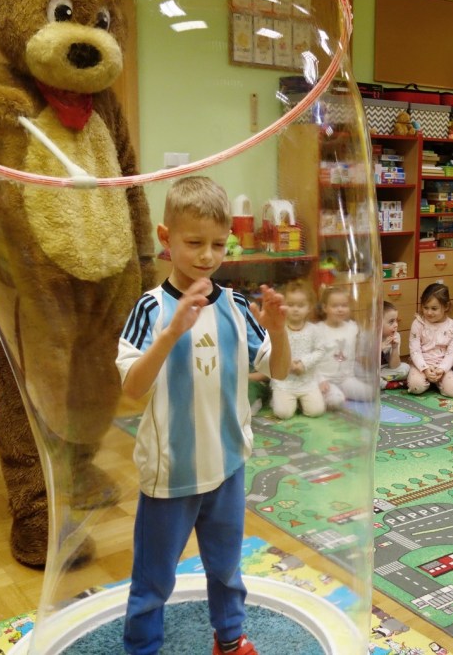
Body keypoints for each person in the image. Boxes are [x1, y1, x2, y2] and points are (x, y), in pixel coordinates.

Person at [117, 176, 289, 655]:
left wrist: (280, 330)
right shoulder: (150, 308)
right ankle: (141, 648)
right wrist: (171, 332)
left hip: (228, 466)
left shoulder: (235, 305)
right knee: (153, 577)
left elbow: (278, 370)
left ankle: (230, 638)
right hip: (170, 473)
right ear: (166, 237)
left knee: (227, 567)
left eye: (218, 244)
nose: (207, 255)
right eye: (194, 243)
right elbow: (132, 389)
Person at [270, 280, 326, 420]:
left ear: (309, 307)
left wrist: (303, 363)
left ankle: (301, 403)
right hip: (284, 382)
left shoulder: (314, 330)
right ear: (283, 306)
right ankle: (280, 400)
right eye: (290, 305)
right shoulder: (279, 329)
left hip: (307, 381)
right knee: (283, 414)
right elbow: (271, 350)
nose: (295, 309)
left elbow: (320, 351)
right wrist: (288, 364)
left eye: (301, 305)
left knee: (316, 411)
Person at [314, 285, 375, 410]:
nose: (340, 309)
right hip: (326, 379)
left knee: (371, 393)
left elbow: (359, 349)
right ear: (325, 307)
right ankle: (328, 394)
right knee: (336, 401)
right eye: (335, 306)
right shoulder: (318, 330)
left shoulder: (352, 328)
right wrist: (320, 380)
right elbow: (312, 360)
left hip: (346, 379)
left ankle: (340, 392)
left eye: (344, 305)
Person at [407, 283, 453, 397]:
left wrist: (442, 369)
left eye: (434, 308)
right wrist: (424, 369)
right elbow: (415, 350)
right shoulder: (418, 323)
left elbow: (451, 353)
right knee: (415, 387)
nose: (429, 312)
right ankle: (430, 382)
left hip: (441, 366)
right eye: (425, 307)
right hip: (421, 365)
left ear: (446, 306)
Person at [380, 301, 410, 389]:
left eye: (396, 320)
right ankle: (387, 384)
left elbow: (394, 366)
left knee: (406, 368)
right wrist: (380, 348)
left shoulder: (396, 336)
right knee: (361, 374)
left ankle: (383, 382)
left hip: (384, 370)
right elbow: (365, 364)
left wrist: (395, 348)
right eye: (391, 322)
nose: (396, 325)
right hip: (370, 371)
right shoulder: (369, 336)